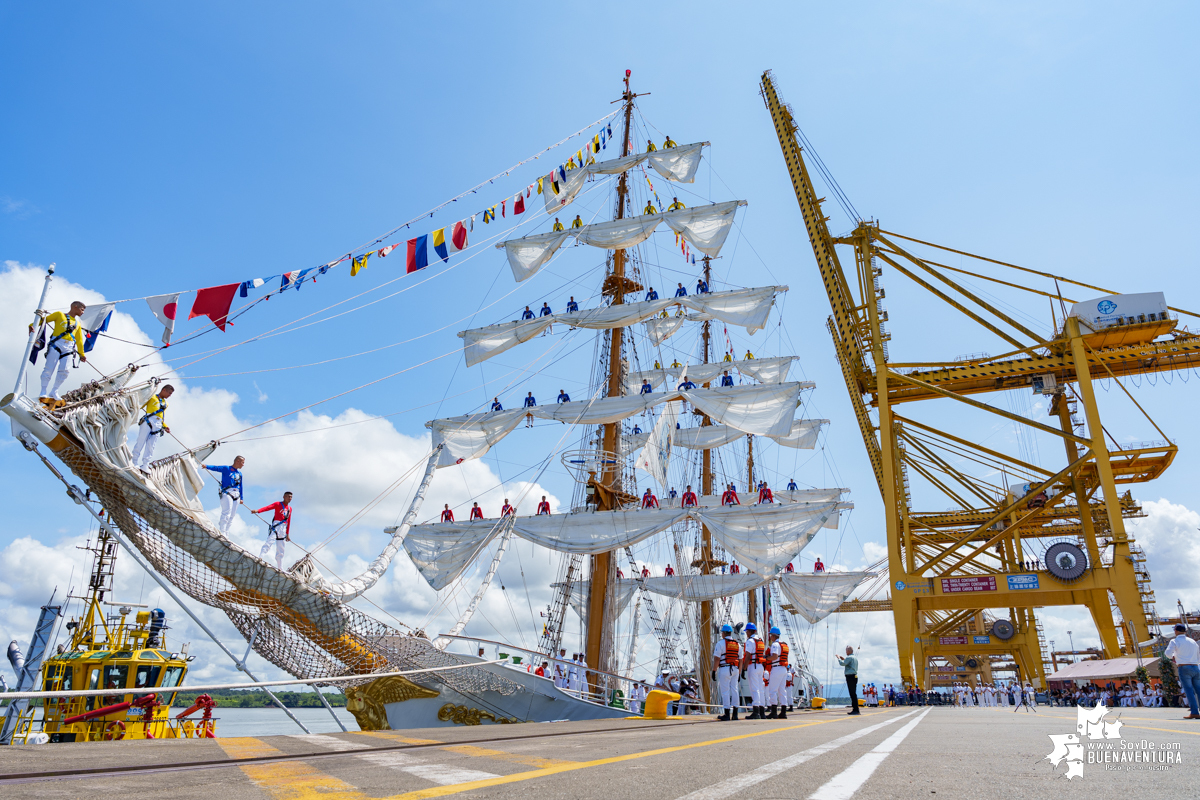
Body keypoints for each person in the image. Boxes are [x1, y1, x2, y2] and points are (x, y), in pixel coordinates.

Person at [30, 300, 88, 408]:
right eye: (82, 309)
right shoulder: (59, 315)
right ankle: (43, 390)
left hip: (69, 347)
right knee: (49, 368)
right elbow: (43, 321)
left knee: (65, 370)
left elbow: (79, 340)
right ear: (75, 307)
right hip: (57, 344)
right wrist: (31, 325)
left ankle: (54, 390)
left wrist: (81, 354)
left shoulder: (77, 324)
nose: (83, 312)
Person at [131, 384, 174, 472]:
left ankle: (145, 464)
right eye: (169, 393)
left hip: (158, 424)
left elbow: (161, 416)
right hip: (148, 420)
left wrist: (165, 426)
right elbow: (141, 405)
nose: (169, 395)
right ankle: (134, 460)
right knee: (141, 441)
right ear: (164, 390)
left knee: (151, 446)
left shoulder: (166, 403)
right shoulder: (152, 397)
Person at [1166, 622, 1200, 718]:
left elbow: (1168, 653)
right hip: (1195, 666)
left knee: (1189, 691)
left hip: (1184, 667)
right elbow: (1198, 656)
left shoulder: (1175, 641)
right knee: (1199, 690)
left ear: (1176, 631)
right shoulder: (1192, 641)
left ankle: (1194, 712)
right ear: (1184, 631)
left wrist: (1173, 657)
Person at [203, 457, 245, 534]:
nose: (243, 465)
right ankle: (222, 531)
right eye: (242, 462)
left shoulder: (240, 473)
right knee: (226, 512)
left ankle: (227, 532)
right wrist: (206, 466)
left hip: (237, 494)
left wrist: (241, 498)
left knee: (232, 515)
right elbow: (216, 468)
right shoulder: (226, 468)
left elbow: (241, 486)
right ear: (238, 461)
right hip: (227, 492)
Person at [253, 491, 293, 570]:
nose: (290, 498)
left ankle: (280, 568)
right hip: (276, 526)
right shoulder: (278, 504)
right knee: (269, 542)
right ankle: (260, 557)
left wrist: (287, 534)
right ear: (284, 497)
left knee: (281, 548)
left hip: (283, 528)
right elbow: (268, 507)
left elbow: (289, 521)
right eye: (288, 497)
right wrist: (258, 511)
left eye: (291, 497)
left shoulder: (289, 508)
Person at [714, 623, 742, 721]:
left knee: (725, 691)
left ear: (724, 633)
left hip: (725, 668)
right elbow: (741, 659)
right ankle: (735, 714)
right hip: (735, 669)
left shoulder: (721, 643)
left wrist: (714, 670)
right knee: (735, 690)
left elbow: (717, 658)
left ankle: (726, 713)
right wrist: (740, 672)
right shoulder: (737, 644)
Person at [741, 622, 767, 719]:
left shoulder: (750, 641)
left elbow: (747, 656)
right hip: (760, 666)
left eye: (747, 631)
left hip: (753, 666)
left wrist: (744, 668)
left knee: (754, 689)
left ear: (749, 631)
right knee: (761, 689)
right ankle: (762, 712)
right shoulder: (760, 641)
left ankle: (756, 712)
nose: (746, 633)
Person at [764, 627, 789, 719]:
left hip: (776, 668)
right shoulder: (784, 645)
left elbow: (774, 656)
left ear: (773, 636)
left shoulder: (775, 645)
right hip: (783, 669)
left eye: (771, 635)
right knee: (782, 691)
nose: (770, 637)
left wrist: (766, 657)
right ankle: (783, 712)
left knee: (772, 690)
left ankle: (774, 712)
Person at [837, 646, 860, 715]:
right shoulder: (854, 658)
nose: (846, 652)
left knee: (852, 693)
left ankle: (855, 709)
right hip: (854, 676)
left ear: (849, 651)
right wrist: (844, 659)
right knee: (853, 693)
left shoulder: (849, 657)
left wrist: (838, 658)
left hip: (850, 676)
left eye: (846, 650)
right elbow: (849, 664)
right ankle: (855, 708)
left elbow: (842, 664)